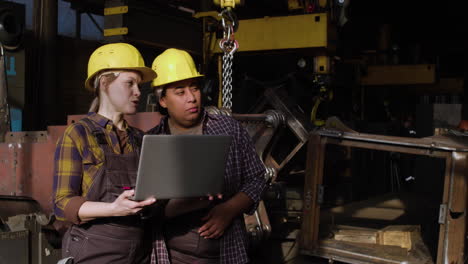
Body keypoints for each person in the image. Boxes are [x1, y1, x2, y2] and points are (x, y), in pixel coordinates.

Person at [147, 48, 267, 264]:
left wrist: (228, 210)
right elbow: (145, 208)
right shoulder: (152, 141)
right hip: (171, 254)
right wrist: (181, 204)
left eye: (194, 88)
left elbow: (257, 178)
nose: (191, 98)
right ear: (163, 100)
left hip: (225, 250)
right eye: (180, 92)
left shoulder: (228, 129)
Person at [53, 43, 158, 264]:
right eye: (130, 84)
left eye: (139, 85)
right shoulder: (79, 134)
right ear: (104, 83)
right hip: (95, 250)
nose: (138, 92)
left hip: (139, 251)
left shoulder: (140, 139)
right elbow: (62, 204)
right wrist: (113, 209)